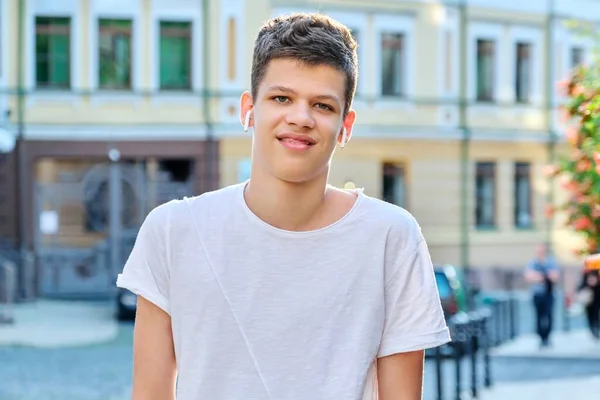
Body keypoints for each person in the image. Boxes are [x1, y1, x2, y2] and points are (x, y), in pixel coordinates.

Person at [117, 12, 451, 400]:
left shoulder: (391, 237)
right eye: (281, 98)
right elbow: (151, 394)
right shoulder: (172, 231)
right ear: (248, 109)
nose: (300, 117)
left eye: (323, 106)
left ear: (346, 126)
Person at [524, 244, 559, 348]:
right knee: (538, 315)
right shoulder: (532, 262)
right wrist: (544, 276)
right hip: (537, 294)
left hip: (549, 293)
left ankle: (547, 336)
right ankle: (541, 337)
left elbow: (555, 276)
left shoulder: (551, 262)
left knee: (549, 315)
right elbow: (529, 276)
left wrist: (539, 276)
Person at [577, 260, 600, 340]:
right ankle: (592, 329)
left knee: (596, 313)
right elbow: (581, 285)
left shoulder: (596, 271)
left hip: (597, 296)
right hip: (588, 297)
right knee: (589, 314)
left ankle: (596, 327)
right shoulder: (585, 273)